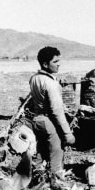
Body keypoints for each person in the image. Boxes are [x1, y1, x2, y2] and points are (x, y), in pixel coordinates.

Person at [27, 46, 75, 176]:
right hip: (48, 120)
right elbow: (56, 110)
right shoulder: (50, 83)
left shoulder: (35, 78)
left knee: (41, 150)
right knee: (57, 151)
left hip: (36, 119)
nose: (59, 64)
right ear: (45, 64)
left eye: (59, 61)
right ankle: (56, 179)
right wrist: (67, 133)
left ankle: (37, 176)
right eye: (55, 62)